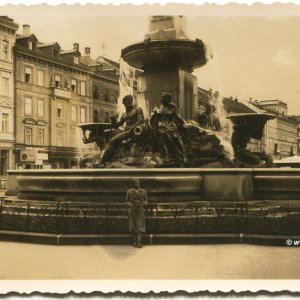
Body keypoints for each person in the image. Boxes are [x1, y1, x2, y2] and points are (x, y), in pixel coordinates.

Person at [101, 95, 144, 164]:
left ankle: (103, 160)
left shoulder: (137, 109)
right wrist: (113, 120)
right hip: (126, 132)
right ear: (124, 103)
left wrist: (133, 127)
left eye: (130, 100)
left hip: (133, 132)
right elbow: (116, 125)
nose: (129, 102)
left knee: (112, 140)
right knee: (109, 134)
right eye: (127, 100)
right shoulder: (124, 114)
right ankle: (111, 158)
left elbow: (141, 120)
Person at [150, 93, 188, 164]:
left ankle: (184, 155)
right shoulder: (157, 109)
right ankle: (165, 156)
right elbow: (151, 119)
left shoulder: (172, 109)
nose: (161, 99)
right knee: (160, 138)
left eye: (162, 97)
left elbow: (180, 119)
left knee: (177, 138)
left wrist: (183, 125)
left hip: (171, 128)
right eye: (161, 97)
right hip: (161, 128)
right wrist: (151, 127)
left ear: (166, 99)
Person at [126, 178, 148, 248]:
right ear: (133, 184)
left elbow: (146, 200)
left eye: (138, 183)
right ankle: (134, 241)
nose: (137, 184)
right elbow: (127, 200)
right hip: (132, 209)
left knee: (140, 225)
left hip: (140, 209)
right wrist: (130, 204)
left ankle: (139, 242)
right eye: (135, 183)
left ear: (139, 184)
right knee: (133, 225)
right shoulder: (129, 191)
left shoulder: (143, 191)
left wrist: (143, 203)